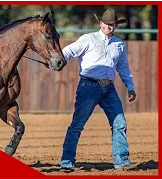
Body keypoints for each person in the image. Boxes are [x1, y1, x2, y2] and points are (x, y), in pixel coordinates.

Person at [59, 9, 137, 170]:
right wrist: (57, 60)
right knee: (77, 125)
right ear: (100, 23)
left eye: (112, 24)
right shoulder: (88, 39)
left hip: (109, 88)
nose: (109, 26)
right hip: (88, 86)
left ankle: (121, 160)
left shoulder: (119, 44)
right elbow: (69, 51)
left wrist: (130, 86)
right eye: (107, 23)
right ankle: (66, 161)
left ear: (116, 25)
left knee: (120, 123)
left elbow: (123, 67)